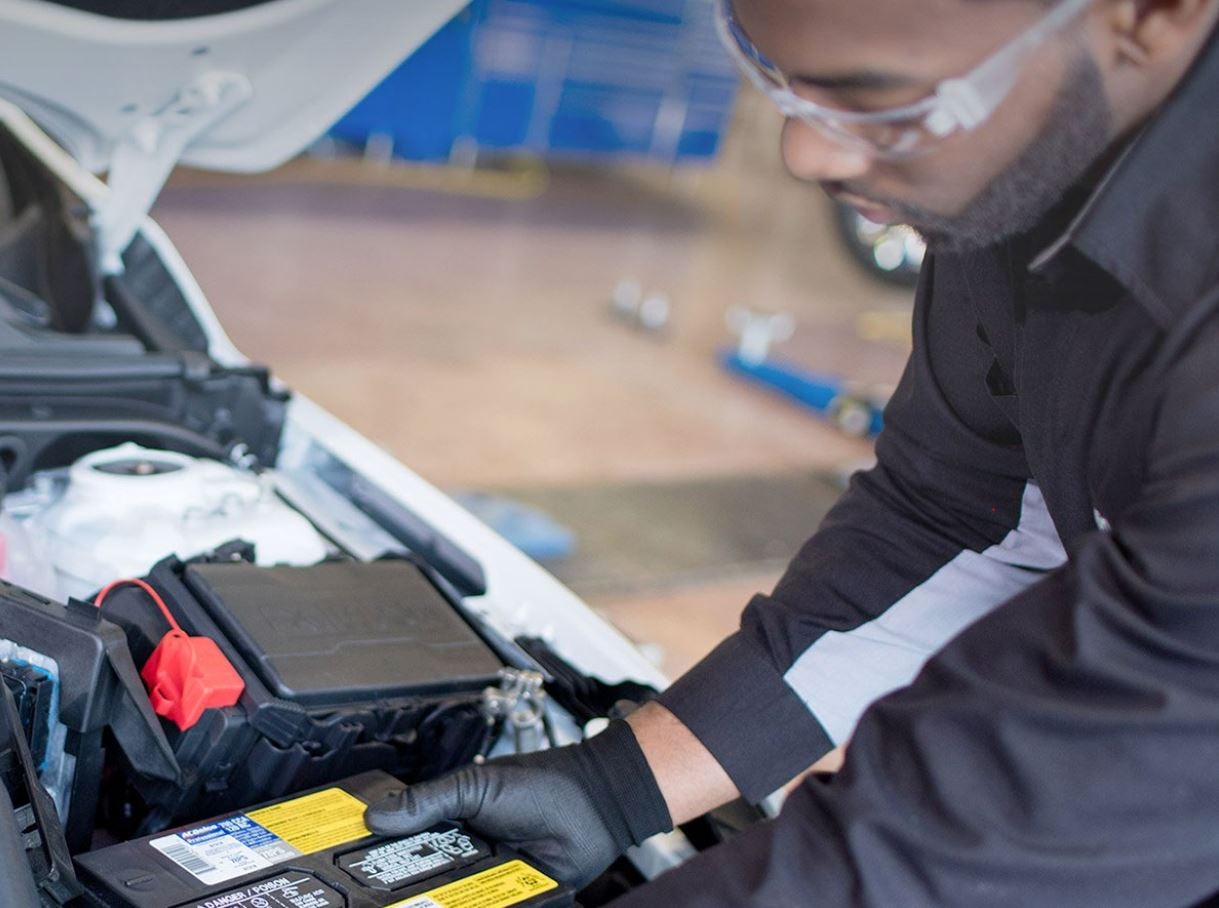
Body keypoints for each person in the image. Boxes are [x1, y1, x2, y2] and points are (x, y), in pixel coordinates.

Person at [366, 0, 1219, 902]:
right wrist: (613, 786)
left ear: (1150, 14)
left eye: (882, 101)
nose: (804, 153)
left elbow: (1070, 790)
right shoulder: (1017, 180)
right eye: (778, 79)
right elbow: (958, 518)